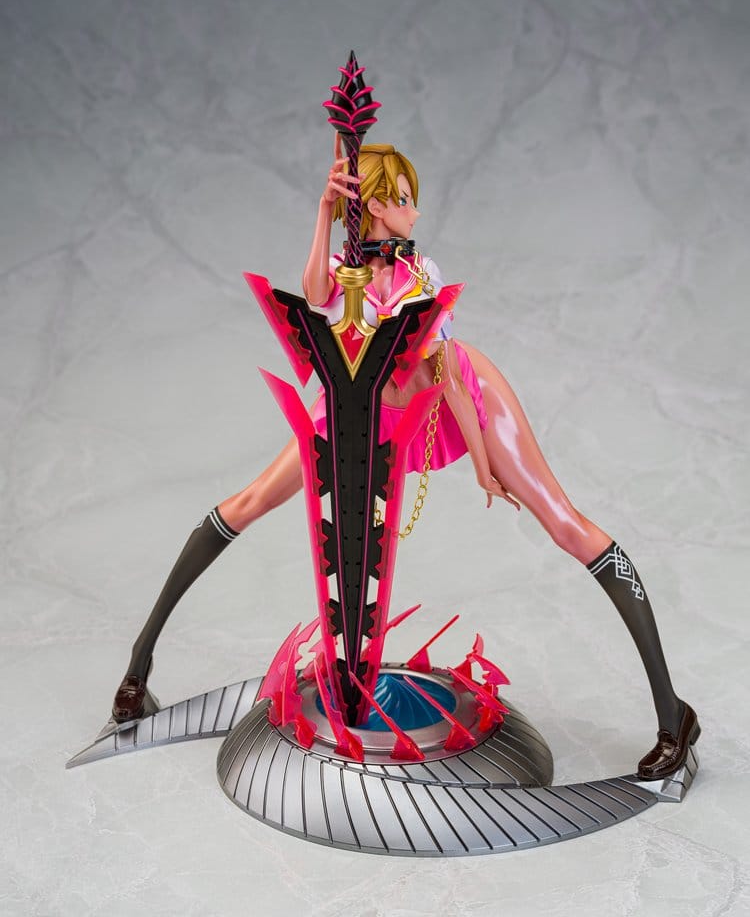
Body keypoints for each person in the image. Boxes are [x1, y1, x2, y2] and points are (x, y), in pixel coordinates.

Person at [112, 141, 699, 781]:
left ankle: (673, 715)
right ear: (376, 207)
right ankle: (137, 671)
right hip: (355, 407)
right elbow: (312, 293)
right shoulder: (342, 269)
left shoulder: (420, 273)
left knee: (563, 523)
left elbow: (445, 374)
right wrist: (322, 210)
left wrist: (483, 462)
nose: (414, 211)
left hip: (450, 397)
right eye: (402, 199)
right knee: (250, 501)